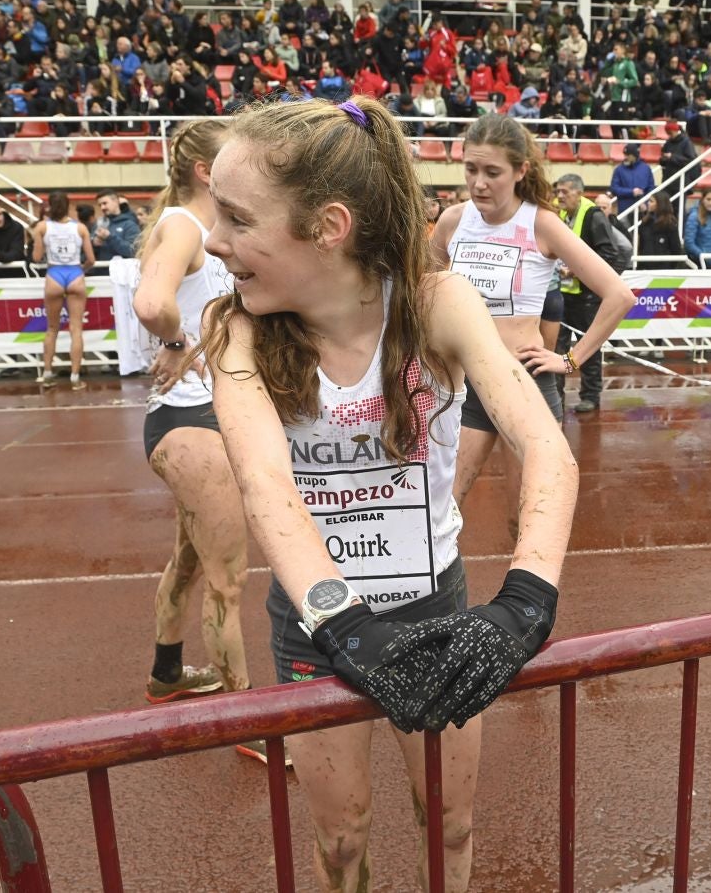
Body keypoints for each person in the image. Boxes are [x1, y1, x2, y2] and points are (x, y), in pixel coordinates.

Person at [199, 97, 578, 892]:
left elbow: (542, 442)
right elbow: (266, 485)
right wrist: (340, 619)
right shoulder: (236, 330)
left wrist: (528, 596)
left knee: (450, 822)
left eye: (236, 218)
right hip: (316, 626)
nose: (212, 238)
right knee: (341, 841)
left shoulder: (437, 304)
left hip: (433, 610)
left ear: (327, 227)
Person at [433, 114, 633, 503]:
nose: (478, 183)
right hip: (465, 382)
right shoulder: (453, 221)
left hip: (524, 382)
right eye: (470, 169)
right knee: (442, 509)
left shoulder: (543, 224)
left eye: (493, 172)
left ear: (521, 170)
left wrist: (570, 360)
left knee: (526, 514)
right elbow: (424, 290)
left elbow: (618, 295)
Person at [130, 119, 249, 710]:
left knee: (192, 559)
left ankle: (167, 673)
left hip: (203, 417)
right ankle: (246, 717)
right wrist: (177, 342)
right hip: (190, 423)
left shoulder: (214, 227)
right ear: (207, 171)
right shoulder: (183, 225)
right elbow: (152, 303)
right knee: (228, 579)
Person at [554, 172, 634, 414]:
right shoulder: (560, 214)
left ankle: (590, 395)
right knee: (557, 348)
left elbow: (610, 254)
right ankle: (556, 397)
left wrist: (578, 273)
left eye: (564, 192)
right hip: (562, 295)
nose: (559, 196)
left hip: (586, 297)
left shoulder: (593, 216)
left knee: (588, 346)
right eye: (557, 191)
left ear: (579, 193)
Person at [29, 191, 95, 390]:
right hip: (75, 274)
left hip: (54, 275)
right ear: (69, 206)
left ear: (49, 206)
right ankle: (75, 377)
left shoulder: (42, 227)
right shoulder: (80, 228)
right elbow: (91, 260)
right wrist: (80, 271)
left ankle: (48, 373)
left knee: (51, 328)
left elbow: (36, 256)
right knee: (76, 329)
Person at [609, 141, 656, 222]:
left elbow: (651, 188)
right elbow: (614, 188)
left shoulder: (646, 168)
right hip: (625, 208)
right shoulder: (619, 170)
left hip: (642, 209)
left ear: (634, 156)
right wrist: (631, 192)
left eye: (628, 155)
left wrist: (646, 203)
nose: (625, 157)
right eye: (625, 155)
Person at [637, 191, 685, 269]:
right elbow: (642, 247)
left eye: (651, 201)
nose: (648, 203)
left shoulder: (670, 225)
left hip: (664, 270)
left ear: (660, 203)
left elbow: (676, 249)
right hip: (645, 269)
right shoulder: (645, 223)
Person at [93, 188, 142, 260]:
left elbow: (133, 251)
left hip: (122, 270)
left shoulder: (129, 225)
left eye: (105, 203)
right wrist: (94, 243)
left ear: (116, 201)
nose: (102, 207)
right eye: (100, 205)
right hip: (101, 270)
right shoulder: (98, 224)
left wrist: (109, 237)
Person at [684, 189, 711, 269]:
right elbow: (689, 242)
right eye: (708, 199)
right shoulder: (694, 216)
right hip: (698, 262)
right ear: (702, 199)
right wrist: (702, 255)